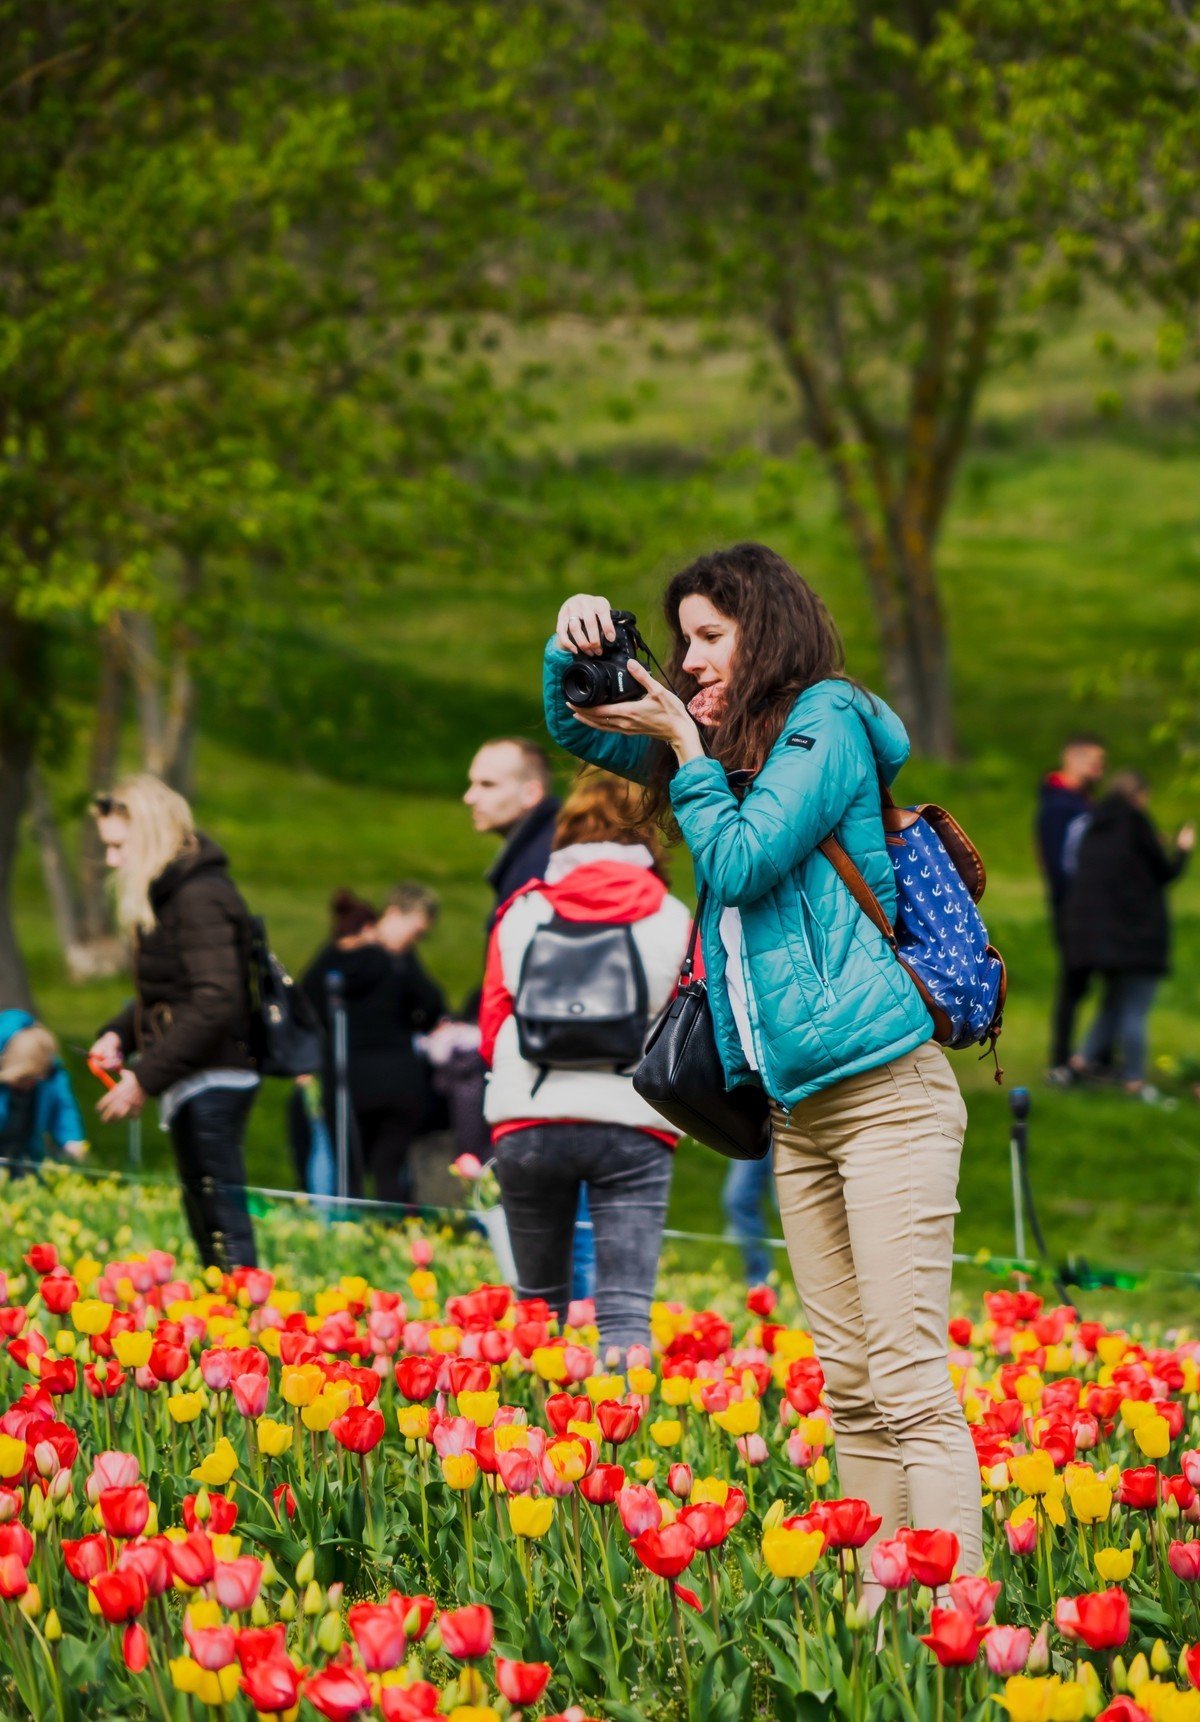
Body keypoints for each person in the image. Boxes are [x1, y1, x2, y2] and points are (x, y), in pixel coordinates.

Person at [545, 543, 982, 1578]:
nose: (691, 661)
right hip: (799, 1114)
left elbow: (738, 861)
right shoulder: (717, 743)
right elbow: (573, 722)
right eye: (681, 638)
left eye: (710, 637)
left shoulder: (827, 719)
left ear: (767, 629)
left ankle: (962, 1613)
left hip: (887, 1096)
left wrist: (686, 757)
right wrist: (574, 635)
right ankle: (882, 1623)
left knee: (910, 1380)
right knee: (854, 1390)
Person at [479, 767, 691, 1352]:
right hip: (633, 1124)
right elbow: (693, 1021)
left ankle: (521, 1437)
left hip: (530, 1117)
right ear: (647, 834)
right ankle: (622, 1430)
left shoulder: (522, 911)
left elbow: (493, 1019)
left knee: (537, 1306)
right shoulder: (672, 918)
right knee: (624, 1313)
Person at [88, 776, 260, 1270]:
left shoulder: (198, 895)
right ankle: (232, 1329)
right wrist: (119, 1032)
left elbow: (216, 1001)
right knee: (207, 1222)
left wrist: (145, 1076)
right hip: (193, 1073)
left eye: (119, 846)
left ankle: (247, 1336)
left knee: (223, 1226)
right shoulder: (173, 893)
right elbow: (171, 994)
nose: (112, 861)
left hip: (216, 1075)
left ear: (150, 833)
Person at [301, 882, 445, 1205]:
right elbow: (432, 1006)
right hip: (397, 1078)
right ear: (393, 914)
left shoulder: (338, 955)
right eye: (416, 931)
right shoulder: (397, 963)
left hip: (346, 1079)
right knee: (390, 1170)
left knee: (346, 1167)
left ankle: (348, 1235)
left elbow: (306, 1001)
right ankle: (393, 1237)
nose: (414, 940)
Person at [1061, 770, 1193, 1096]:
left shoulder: (1095, 826)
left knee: (1113, 1004)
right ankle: (1135, 1081)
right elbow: (1165, 873)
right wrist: (1183, 849)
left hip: (1098, 939)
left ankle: (1075, 1065)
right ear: (1138, 796)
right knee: (1135, 1009)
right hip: (1138, 937)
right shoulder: (1136, 822)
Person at [1035, 734, 1107, 1083]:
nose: (1100, 769)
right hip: (1073, 909)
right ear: (1073, 760)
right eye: (1095, 762)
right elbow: (1056, 862)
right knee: (1074, 981)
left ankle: (1094, 1058)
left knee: (1091, 980)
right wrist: (1070, 905)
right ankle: (1062, 1060)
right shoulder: (1059, 805)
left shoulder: (1079, 801)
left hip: (1089, 908)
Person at [464, 739, 561, 932]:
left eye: (487, 784)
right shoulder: (547, 842)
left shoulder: (538, 869)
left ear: (531, 794)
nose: (469, 798)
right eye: (472, 783)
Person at [0, 1014, 88, 1167]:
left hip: (24, 1153)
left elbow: (63, 1107)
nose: (27, 1086)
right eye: (21, 1080)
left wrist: (72, 1140)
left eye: (33, 1080)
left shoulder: (51, 1071)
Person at [722, 1151, 775, 1286]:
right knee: (739, 1200)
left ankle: (819, 1286)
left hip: (791, 1133)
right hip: (756, 1133)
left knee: (789, 1204)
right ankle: (759, 1286)